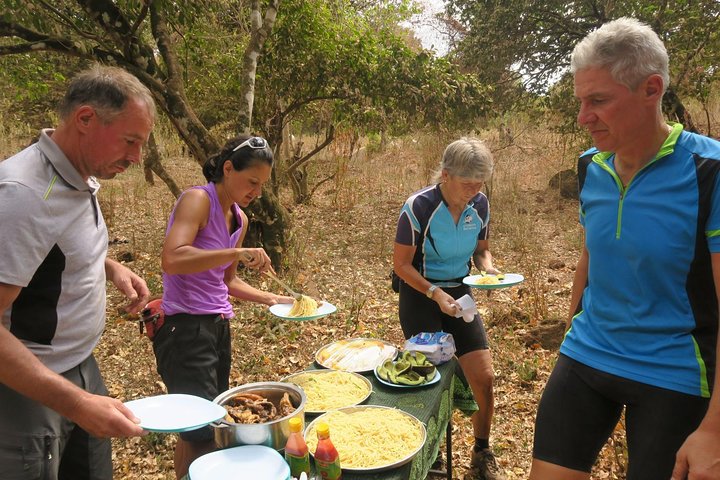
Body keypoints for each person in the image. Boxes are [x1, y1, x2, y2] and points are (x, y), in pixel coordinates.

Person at [529, 17, 720, 480]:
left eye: (598, 101)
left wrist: (714, 430)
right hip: (588, 352)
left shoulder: (709, 172)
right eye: (580, 101)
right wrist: (571, 332)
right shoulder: (590, 166)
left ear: (651, 89)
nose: (582, 117)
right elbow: (592, 254)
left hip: (674, 370)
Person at [0, 65, 155, 479]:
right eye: (130, 141)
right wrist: (76, 404)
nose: (137, 158)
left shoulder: (74, 176)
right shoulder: (26, 194)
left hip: (81, 365)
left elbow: (44, 251)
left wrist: (107, 265)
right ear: (85, 119)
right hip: (30, 389)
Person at [154, 134, 294, 479]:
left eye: (261, 185)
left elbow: (227, 281)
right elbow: (172, 258)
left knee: (214, 418)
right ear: (227, 168)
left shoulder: (240, 218)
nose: (256, 192)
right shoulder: (197, 200)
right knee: (197, 429)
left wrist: (272, 298)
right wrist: (235, 252)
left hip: (216, 325)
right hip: (184, 327)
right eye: (251, 182)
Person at [393, 137, 505, 480]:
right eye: (466, 183)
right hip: (421, 292)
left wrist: (488, 268)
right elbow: (401, 265)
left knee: (483, 377)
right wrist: (435, 292)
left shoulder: (481, 205)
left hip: (461, 294)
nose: (473, 191)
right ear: (445, 175)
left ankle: (481, 451)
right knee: (431, 379)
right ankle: (433, 454)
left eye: (479, 183)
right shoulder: (419, 208)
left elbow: (482, 250)